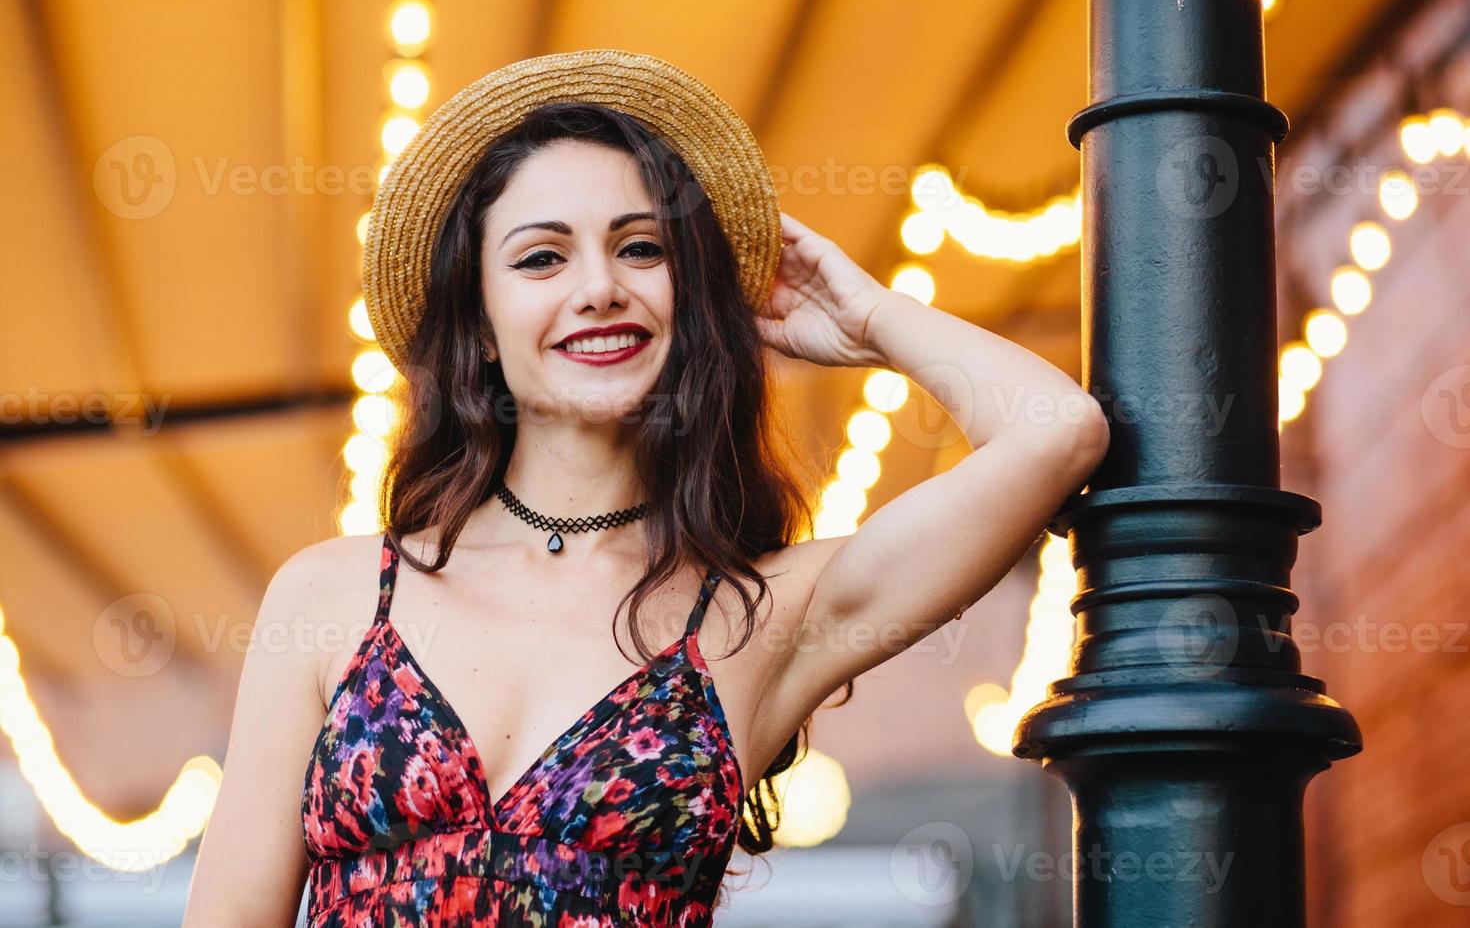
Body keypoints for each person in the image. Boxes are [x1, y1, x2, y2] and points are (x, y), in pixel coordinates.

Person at [182, 49, 1108, 926]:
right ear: (482, 325)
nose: (599, 288)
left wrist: (871, 318)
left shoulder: (761, 614)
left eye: (641, 249)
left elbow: (1057, 433)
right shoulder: (333, 594)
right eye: (542, 258)